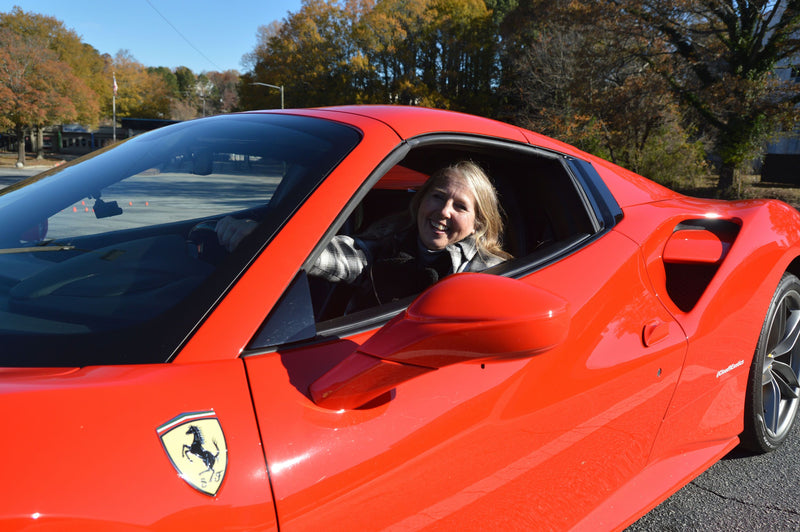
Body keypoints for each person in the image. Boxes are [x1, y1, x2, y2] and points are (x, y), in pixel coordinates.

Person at [216, 160, 511, 307]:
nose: (444, 211)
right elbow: (337, 256)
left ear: (478, 223)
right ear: (421, 201)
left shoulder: (490, 275)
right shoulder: (387, 239)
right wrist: (267, 240)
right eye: (437, 197)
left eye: (460, 206)